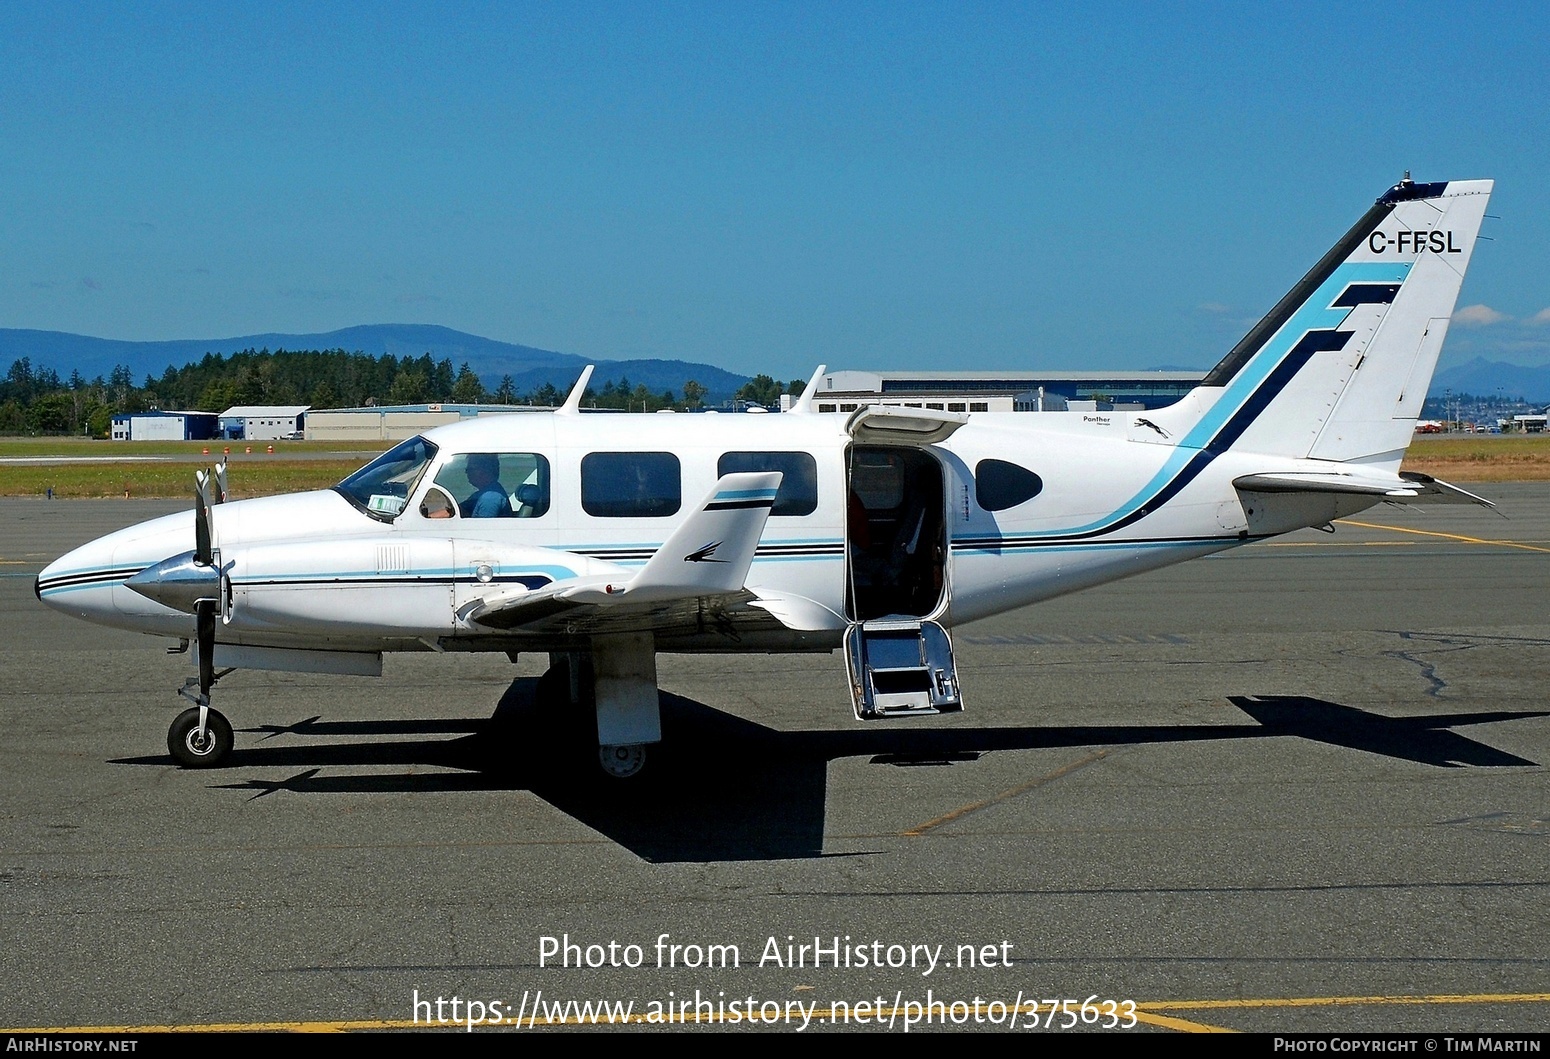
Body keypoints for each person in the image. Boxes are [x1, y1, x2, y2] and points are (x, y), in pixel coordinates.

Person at [460, 454, 513, 518]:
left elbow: (483, 527)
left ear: (484, 470)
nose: (467, 472)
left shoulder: (490, 498)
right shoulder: (481, 494)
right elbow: (459, 509)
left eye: (470, 469)